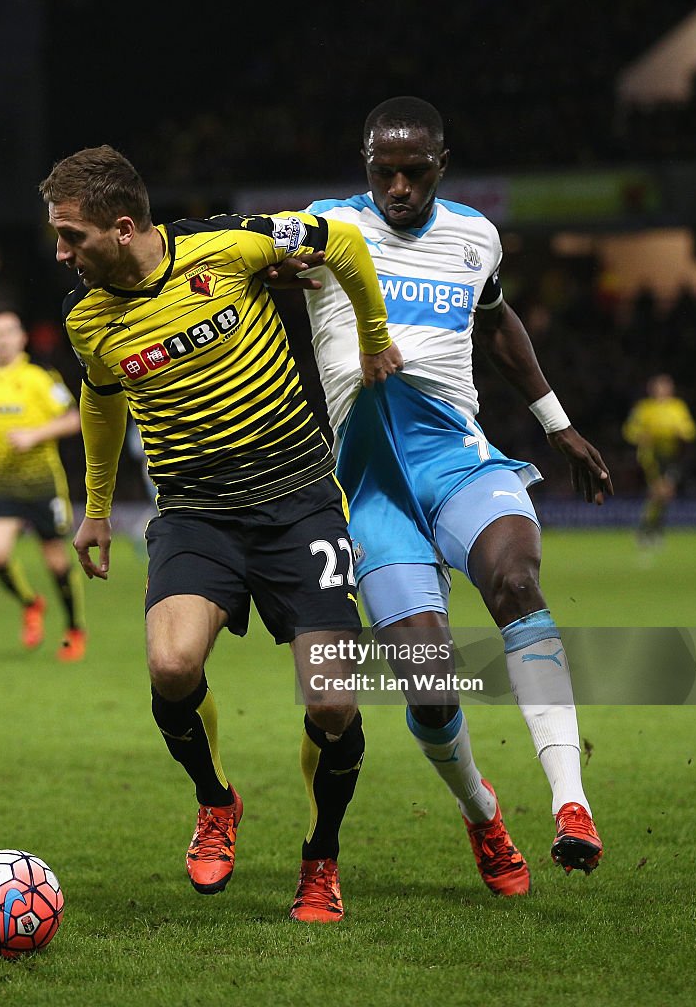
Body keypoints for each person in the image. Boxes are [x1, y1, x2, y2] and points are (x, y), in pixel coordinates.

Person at [38, 144, 402, 922]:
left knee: (333, 705)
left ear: (124, 225)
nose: (61, 252)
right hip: (195, 512)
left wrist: (372, 335)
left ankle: (320, 856)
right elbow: (101, 403)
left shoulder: (226, 247)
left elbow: (337, 239)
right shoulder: (87, 320)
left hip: (298, 499)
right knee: (171, 665)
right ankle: (216, 801)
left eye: (71, 236)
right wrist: (97, 508)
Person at [265, 96, 612, 892]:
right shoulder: (324, 226)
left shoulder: (474, 236)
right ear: (364, 165)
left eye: (413, 172)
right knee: (429, 680)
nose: (397, 186)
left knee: (515, 580)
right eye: (382, 171)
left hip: (457, 461)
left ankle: (570, 803)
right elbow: (248, 253)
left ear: (440, 166)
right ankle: (482, 814)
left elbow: (495, 325)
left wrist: (555, 424)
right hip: (370, 489)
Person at [0, 309, 87, 662]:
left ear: (21, 338)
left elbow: (75, 418)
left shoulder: (41, 376)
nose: (2, 339)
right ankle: (31, 602)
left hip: (43, 483)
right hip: (2, 484)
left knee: (57, 563)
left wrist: (35, 434)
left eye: (9, 332)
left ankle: (74, 629)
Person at [622, 373, 696, 547]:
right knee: (661, 491)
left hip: (672, 456)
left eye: (665, 386)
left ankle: (648, 529)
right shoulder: (644, 408)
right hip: (651, 456)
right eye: (659, 386)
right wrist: (641, 436)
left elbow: (690, 430)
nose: (662, 390)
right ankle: (650, 531)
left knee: (663, 495)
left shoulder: (678, 407)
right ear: (652, 389)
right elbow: (629, 429)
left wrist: (681, 433)